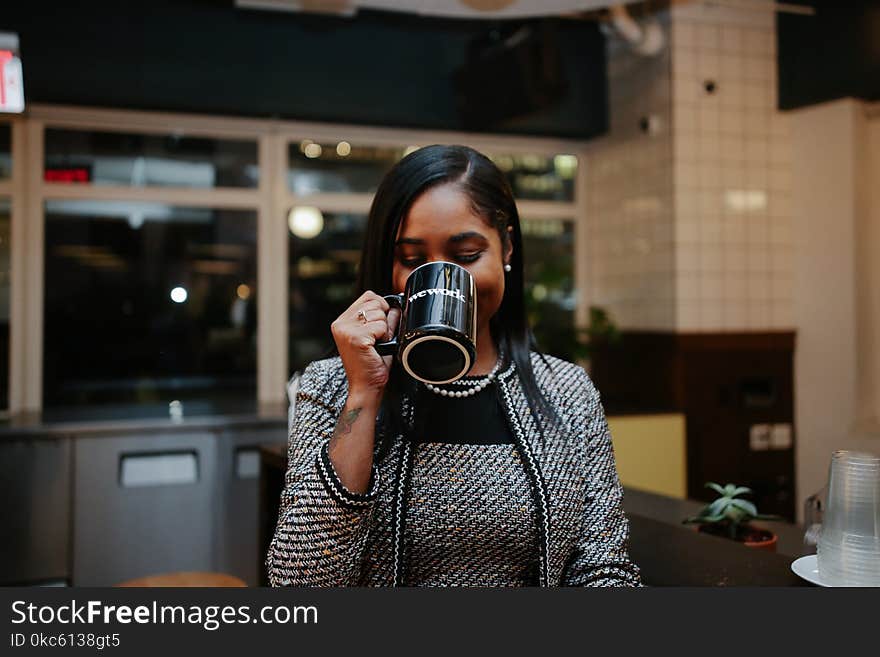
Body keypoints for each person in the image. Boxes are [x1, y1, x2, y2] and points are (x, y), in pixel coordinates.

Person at [267, 145, 641, 587]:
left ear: (507, 247)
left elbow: (602, 566)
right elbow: (300, 581)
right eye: (412, 260)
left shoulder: (567, 391)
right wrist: (364, 393)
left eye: (465, 256)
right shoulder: (333, 386)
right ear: (388, 266)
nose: (441, 279)